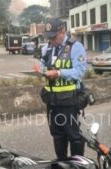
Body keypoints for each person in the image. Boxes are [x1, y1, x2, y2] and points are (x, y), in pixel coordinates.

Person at [33, 18, 87, 160]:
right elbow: (43, 65)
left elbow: (79, 72)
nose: (51, 40)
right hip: (52, 101)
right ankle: (62, 164)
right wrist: (40, 70)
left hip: (69, 101)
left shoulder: (75, 47)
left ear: (62, 31)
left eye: (53, 37)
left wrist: (58, 73)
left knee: (74, 136)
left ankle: (78, 167)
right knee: (57, 135)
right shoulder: (47, 48)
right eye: (48, 37)